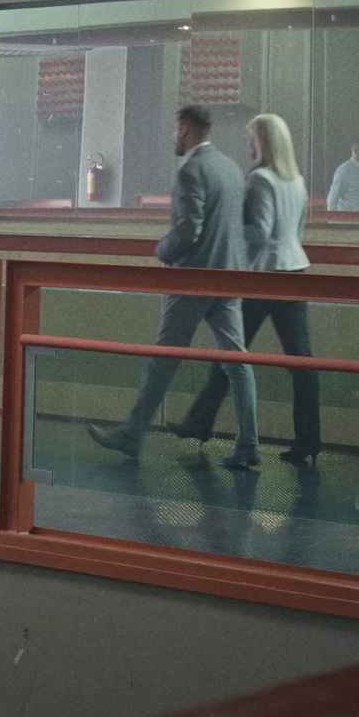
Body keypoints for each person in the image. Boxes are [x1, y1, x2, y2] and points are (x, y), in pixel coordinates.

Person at [88, 105, 260, 469]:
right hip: (228, 278)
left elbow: (189, 230)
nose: (172, 136)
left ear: (183, 128)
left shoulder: (191, 171)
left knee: (163, 361)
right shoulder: (229, 168)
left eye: (174, 128)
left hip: (191, 281)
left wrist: (161, 250)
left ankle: (132, 435)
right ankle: (248, 444)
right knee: (238, 363)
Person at [172, 114, 322, 466]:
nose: (248, 143)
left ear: (264, 142)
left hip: (261, 277)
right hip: (294, 270)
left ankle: (201, 422)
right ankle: (308, 440)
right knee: (302, 363)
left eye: (252, 137)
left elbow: (260, 232)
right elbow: (295, 232)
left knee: (232, 353)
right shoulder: (296, 180)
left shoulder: (259, 179)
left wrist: (230, 238)